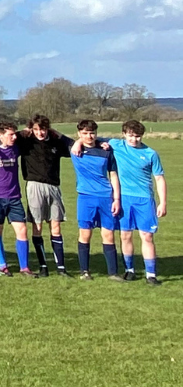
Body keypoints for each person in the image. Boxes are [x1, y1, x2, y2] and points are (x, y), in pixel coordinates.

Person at [106, 120, 167, 285]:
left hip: (144, 200)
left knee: (147, 236)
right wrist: (76, 144)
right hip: (124, 198)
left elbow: (159, 178)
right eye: (131, 136)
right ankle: (130, 270)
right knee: (125, 235)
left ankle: (151, 274)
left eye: (138, 136)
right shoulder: (115, 145)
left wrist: (163, 203)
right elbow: (90, 139)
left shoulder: (150, 154)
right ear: (124, 134)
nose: (134, 139)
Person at [13, 114, 72, 277]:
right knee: (37, 226)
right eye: (37, 130)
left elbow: (72, 145)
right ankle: (43, 265)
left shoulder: (55, 142)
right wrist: (24, 131)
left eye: (43, 129)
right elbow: (5, 138)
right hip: (34, 186)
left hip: (54, 187)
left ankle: (61, 267)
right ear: (32, 129)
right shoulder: (26, 142)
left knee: (56, 226)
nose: (40, 133)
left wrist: (57, 133)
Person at [69, 120, 121, 281]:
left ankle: (113, 273)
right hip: (86, 198)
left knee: (109, 235)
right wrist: (78, 143)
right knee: (85, 234)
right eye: (84, 133)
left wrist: (116, 198)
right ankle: (84, 271)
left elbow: (113, 175)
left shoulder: (106, 150)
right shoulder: (75, 149)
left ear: (96, 133)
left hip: (106, 197)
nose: (89, 136)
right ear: (79, 134)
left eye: (92, 133)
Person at [0, 119, 36, 277]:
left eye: (15, 134)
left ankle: (24, 267)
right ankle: (2, 265)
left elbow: (26, 133)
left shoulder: (16, 149)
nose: (14, 137)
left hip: (14, 197)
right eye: (11, 134)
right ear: (0, 136)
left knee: (22, 230)